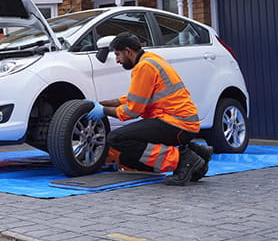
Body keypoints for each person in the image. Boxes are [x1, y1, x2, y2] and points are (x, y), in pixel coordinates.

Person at [86, 32, 213, 186]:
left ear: (128, 51)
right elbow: (134, 98)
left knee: (117, 138)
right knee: (128, 159)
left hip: (177, 124)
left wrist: (103, 111)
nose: (118, 60)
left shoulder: (144, 67)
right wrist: (102, 103)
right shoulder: (152, 60)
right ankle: (197, 154)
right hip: (182, 123)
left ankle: (183, 159)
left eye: (118, 55)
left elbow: (132, 111)